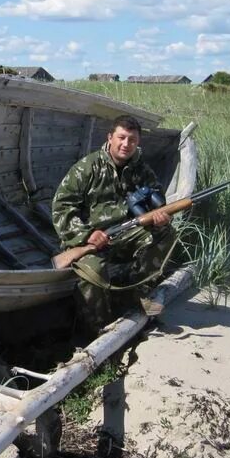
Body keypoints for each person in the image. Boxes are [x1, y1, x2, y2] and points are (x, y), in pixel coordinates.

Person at [51, 115, 178, 335]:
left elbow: (158, 206)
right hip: (90, 240)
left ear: (138, 143)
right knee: (93, 272)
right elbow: (61, 207)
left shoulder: (143, 171)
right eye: (122, 137)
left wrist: (159, 221)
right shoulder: (87, 168)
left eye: (133, 140)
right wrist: (87, 235)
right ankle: (97, 330)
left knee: (165, 233)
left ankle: (135, 294)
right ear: (110, 137)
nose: (126, 144)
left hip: (125, 235)